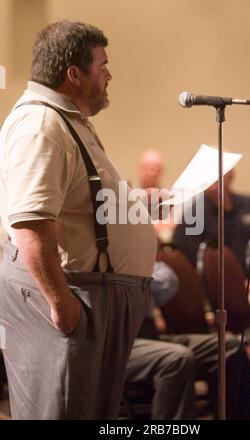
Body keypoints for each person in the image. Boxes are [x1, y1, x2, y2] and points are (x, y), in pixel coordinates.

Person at [0, 21, 157, 420]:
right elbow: (29, 222)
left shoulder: (65, 120)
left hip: (94, 296)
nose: (109, 74)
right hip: (75, 299)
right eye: (102, 65)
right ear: (74, 73)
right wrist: (61, 303)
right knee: (64, 411)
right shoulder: (42, 125)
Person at [126, 261, 250, 420]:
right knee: (177, 358)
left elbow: (168, 281)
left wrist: (135, 280)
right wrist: (136, 280)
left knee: (230, 346)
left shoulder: (130, 250)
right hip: (115, 344)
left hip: (149, 335)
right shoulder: (93, 253)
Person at [173, 170, 250, 271]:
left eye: (219, 171)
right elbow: (190, 265)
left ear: (231, 173)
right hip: (220, 286)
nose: (214, 178)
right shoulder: (192, 216)